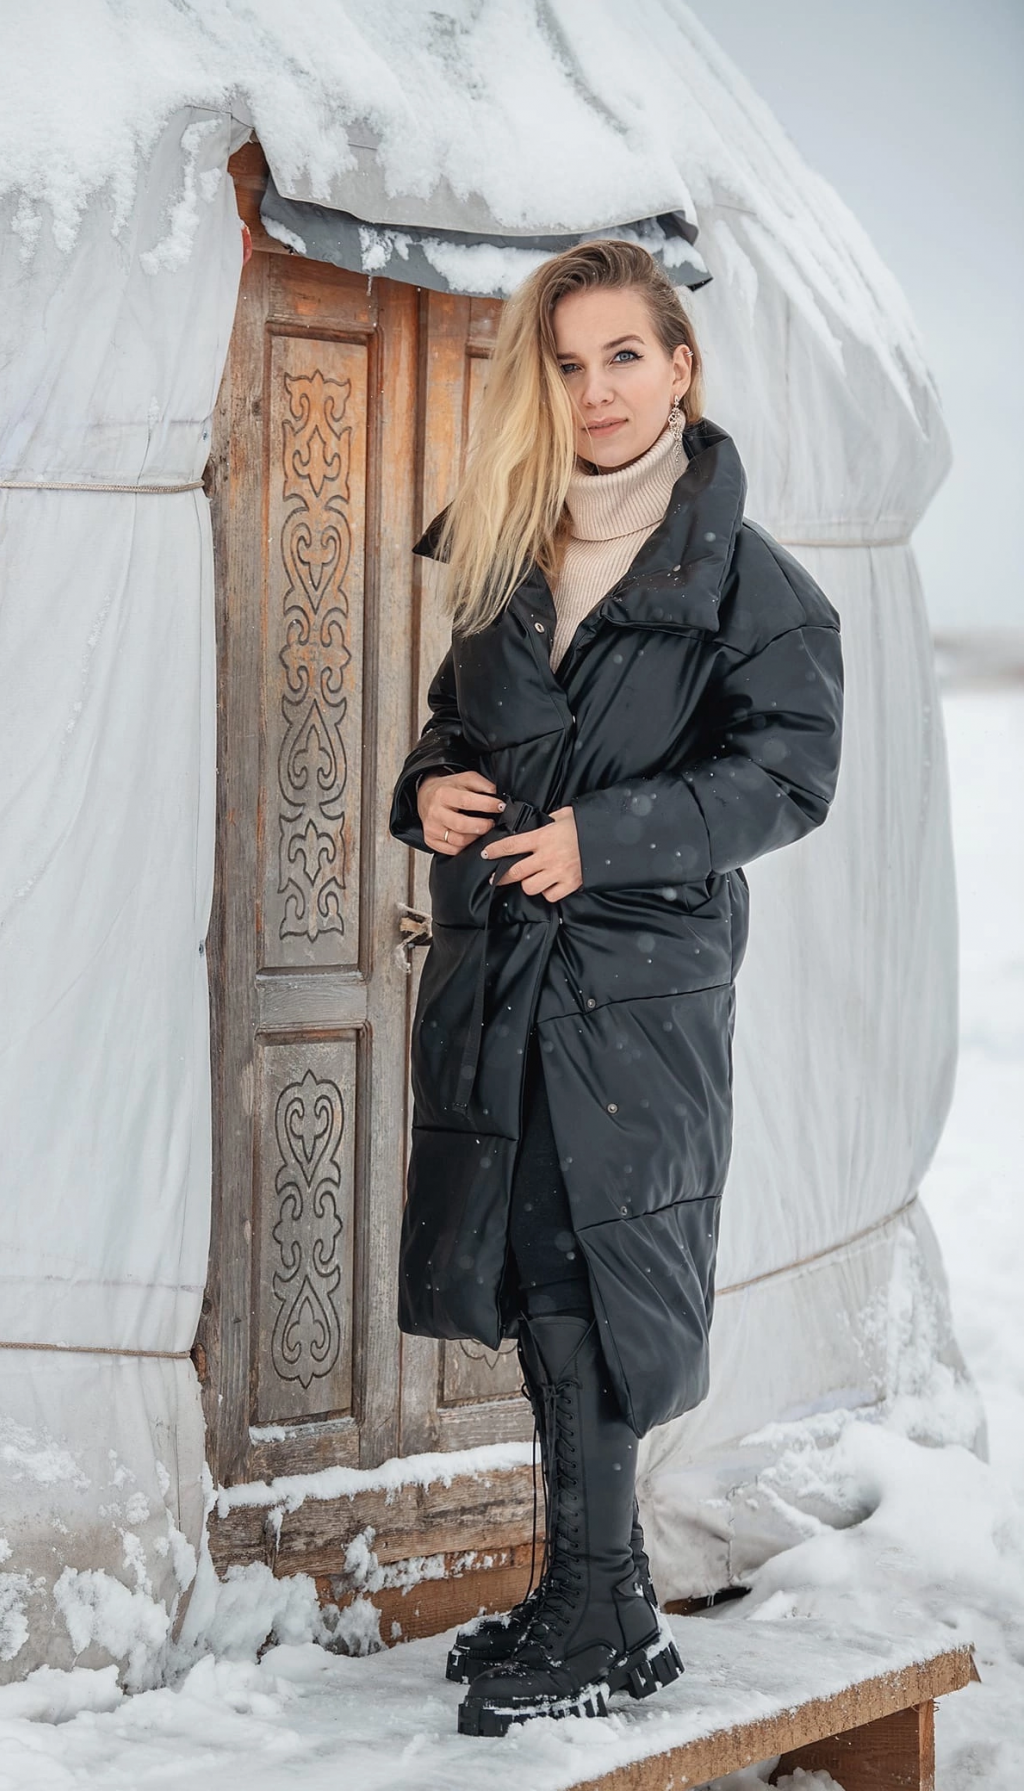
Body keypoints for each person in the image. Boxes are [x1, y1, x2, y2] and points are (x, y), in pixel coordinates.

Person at [388, 240, 844, 1738]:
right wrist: (429, 790)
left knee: (601, 1285)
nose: (596, 392)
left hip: (633, 997)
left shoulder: (752, 586)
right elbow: (456, 728)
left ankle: (603, 1610)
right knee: (537, 1282)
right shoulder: (510, 551)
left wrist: (608, 837)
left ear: (681, 368)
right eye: (569, 364)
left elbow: (789, 778)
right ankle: (596, 1591)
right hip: (502, 982)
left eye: (624, 357)